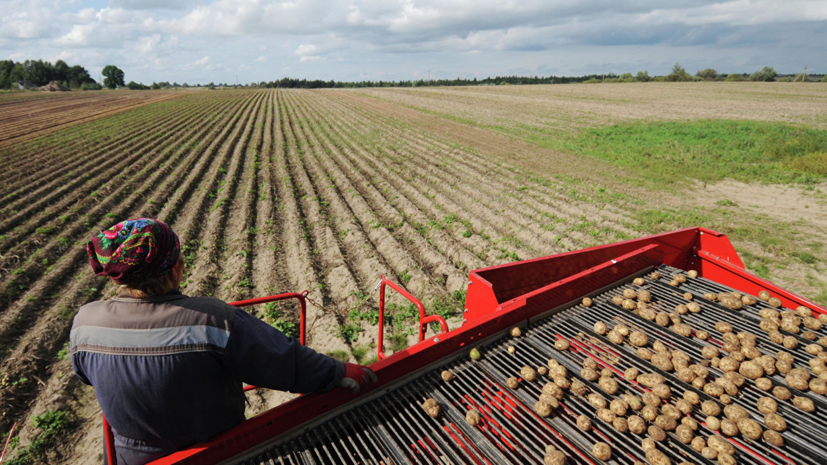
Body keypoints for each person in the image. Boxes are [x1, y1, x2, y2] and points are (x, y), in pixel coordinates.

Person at [70, 218, 376, 464]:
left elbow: (85, 375)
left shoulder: (85, 324)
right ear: (177, 269)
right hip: (221, 450)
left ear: (117, 277)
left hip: (131, 457)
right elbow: (284, 362)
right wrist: (339, 372)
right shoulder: (211, 319)